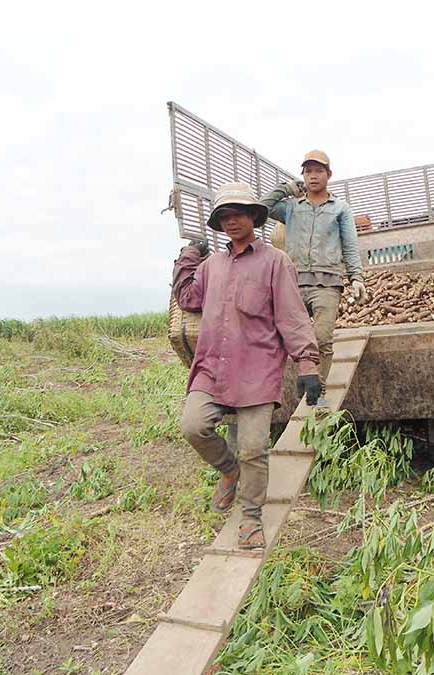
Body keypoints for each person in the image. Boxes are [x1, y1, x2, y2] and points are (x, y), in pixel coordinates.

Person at [173, 182, 321, 549]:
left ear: (254, 217)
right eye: (224, 216)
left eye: (238, 214)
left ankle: (251, 517)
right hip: (212, 367)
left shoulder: (275, 262)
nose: (231, 221)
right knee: (193, 426)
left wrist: (307, 363)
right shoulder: (211, 266)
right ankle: (229, 470)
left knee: (254, 447)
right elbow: (189, 298)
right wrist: (187, 257)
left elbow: (292, 316)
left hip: (256, 368)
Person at [261, 150, 366, 404]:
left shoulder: (340, 208)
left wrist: (356, 277)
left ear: (329, 175)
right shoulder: (291, 208)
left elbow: (350, 244)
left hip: (328, 283)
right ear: (303, 176)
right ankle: (293, 385)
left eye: (318, 171)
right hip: (294, 283)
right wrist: (285, 188)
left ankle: (320, 395)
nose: (313, 176)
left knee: (321, 339)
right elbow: (261, 209)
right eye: (308, 171)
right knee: (290, 339)